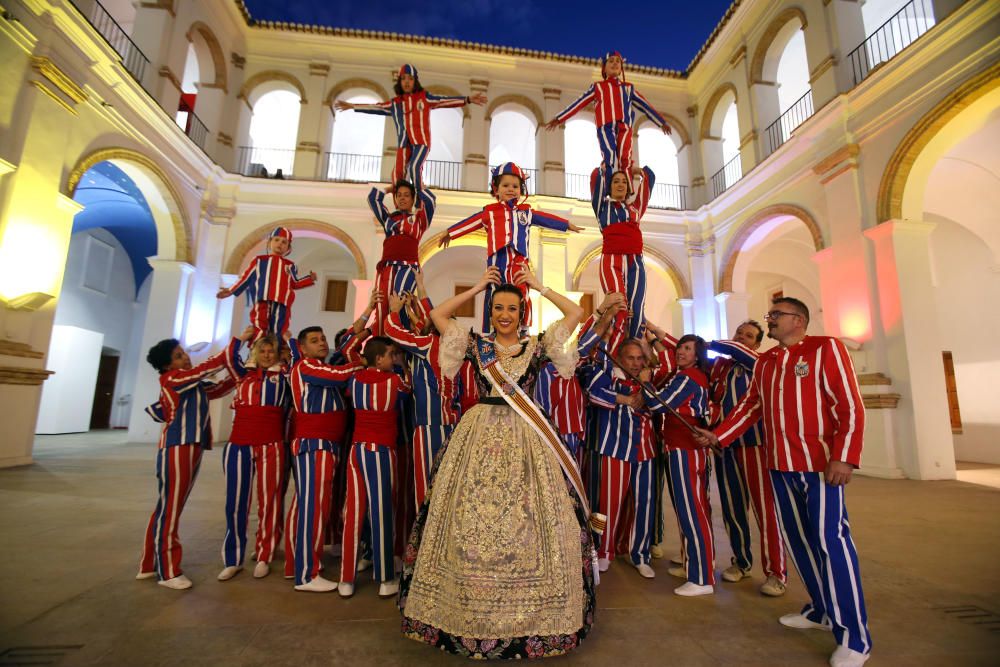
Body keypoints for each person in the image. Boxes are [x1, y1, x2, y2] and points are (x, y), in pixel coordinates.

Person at [399, 266, 600, 659]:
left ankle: (533, 619)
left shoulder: (539, 346)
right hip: (477, 437)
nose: (504, 314)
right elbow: (438, 316)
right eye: (497, 308)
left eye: (512, 308)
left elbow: (575, 314)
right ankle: (462, 612)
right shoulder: (475, 345)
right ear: (489, 312)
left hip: (529, 440)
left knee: (531, 522)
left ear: (522, 312)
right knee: (469, 520)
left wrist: (540, 286)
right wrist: (476, 287)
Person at [695, 297, 871, 667]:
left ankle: (855, 637)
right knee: (800, 544)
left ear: (799, 320)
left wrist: (844, 456)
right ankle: (822, 610)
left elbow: (850, 404)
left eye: (776, 316)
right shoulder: (768, 362)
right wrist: (719, 435)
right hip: (779, 466)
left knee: (830, 543)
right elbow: (752, 406)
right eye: (770, 316)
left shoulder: (826, 348)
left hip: (820, 466)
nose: (770, 321)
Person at [137, 338, 234, 590]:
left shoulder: (192, 385)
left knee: (169, 506)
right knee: (170, 507)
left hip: (192, 446)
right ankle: (167, 571)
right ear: (168, 365)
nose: (186, 358)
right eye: (179, 356)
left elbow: (221, 387)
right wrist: (237, 343)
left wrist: (244, 367)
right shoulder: (172, 380)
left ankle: (149, 564)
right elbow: (206, 369)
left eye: (183, 354)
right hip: (178, 447)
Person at [439, 162, 583, 331]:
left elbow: (546, 218)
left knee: (521, 292)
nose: (510, 189)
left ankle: (523, 329)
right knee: (493, 292)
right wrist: (450, 232)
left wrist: (566, 224)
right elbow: (471, 222)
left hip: (519, 262)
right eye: (505, 185)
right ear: (496, 189)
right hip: (497, 262)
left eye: (515, 186)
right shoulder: (490, 212)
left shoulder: (526, 212)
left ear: (521, 190)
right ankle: (489, 331)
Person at [706, 321, 787, 596]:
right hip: (724, 447)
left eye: (749, 336)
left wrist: (713, 344)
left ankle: (776, 573)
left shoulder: (760, 363)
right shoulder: (722, 367)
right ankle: (741, 562)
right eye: (739, 333)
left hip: (754, 445)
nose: (741, 338)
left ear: (757, 344)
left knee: (766, 511)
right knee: (732, 509)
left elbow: (733, 350)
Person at [285, 326, 364, 592]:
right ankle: (307, 574)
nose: (322, 343)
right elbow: (340, 373)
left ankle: (297, 564)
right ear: (302, 347)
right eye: (314, 340)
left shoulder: (316, 365)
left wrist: (363, 323)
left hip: (323, 444)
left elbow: (341, 353)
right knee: (313, 508)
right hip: (315, 443)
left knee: (309, 505)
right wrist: (361, 363)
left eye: (323, 339)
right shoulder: (306, 366)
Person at [339, 336, 411, 598]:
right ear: (379, 358)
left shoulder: (355, 380)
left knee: (355, 514)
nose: (393, 359)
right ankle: (385, 578)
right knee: (382, 513)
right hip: (381, 451)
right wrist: (403, 364)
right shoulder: (393, 381)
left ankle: (346, 578)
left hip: (356, 451)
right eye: (390, 355)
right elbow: (408, 391)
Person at [335, 64, 486, 189]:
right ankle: (400, 205)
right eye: (403, 79)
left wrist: (467, 99)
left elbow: (443, 101)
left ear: (415, 81)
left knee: (414, 167)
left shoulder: (424, 97)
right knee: (397, 174)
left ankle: (420, 194)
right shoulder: (396, 103)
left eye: (410, 79)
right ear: (399, 82)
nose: (407, 82)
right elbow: (378, 107)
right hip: (403, 144)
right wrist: (353, 106)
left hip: (421, 142)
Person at [216, 330, 291, 582]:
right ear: (254, 353)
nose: (267, 355)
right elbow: (227, 357)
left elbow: (300, 363)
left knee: (269, 501)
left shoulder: (284, 376)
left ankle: (264, 554)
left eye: (271, 350)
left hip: (271, 445)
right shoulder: (243, 375)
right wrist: (241, 336)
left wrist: (289, 343)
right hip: (238, 445)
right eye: (262, 350)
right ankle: (232, 558)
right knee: (235, 503)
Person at [645, 333, 713, 596]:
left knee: (693, 512)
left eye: (687, 348)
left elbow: (658, 403)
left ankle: (702, 577)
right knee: (690, 511)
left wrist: (646, 384)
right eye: (680, 347)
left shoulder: (689, 377)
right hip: (679, 447)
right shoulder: (687, 375)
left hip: (685, 449)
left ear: (697, 355)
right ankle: (693, 566)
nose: (681, 352)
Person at [586, 337, 659, 578]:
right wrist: (627, 396)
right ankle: (603, 551)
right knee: (606, 504)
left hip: (645, 450)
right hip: (614, 449)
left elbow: (655, 401)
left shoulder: (649, 381)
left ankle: (640, 554)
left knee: (644, 505)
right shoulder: (611, 379)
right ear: (620, 357)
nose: (636, 363)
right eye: (631, 357)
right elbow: (594, 393)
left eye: (640, 358)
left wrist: (645, 385)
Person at [544, 51, 671, 175]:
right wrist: (559, 118)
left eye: (618, 62)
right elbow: (578, 104)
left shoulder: (628, 88)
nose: (615, 63)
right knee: (609, 155)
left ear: (621, 69)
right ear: (604, 68)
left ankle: (627, 190)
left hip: (625, 127)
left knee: (625, 157)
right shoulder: (597, 87)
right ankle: (609, 188)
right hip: (605, 126)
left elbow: (645, 105)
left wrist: (661, 122)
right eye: (611, 61)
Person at [590, 164, 655, 354]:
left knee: (637, 307)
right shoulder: (602, 207)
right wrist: (605, 168)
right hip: (612, 261)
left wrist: (636, 171)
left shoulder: (635, 209)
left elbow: (649, 179)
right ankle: (616, 355)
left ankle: (633, 354)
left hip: (635, 262)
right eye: (616, 181)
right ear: (609, 186)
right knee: (619, 307)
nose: (620, 184)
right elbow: (595, 179)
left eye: (624, 181)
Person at [217, 227, 316, 343]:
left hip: (282, 303)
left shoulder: (290, 265)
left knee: (279, 330)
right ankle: (255, 353)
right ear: (269, 243)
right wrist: (231, 290)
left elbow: (295, 283)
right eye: (277, 240)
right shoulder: (259, 260)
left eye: (284, 242)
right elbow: (246, 278)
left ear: (288, 248)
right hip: (262, 299)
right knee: (259, 326)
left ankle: (276, 353)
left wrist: (309, 279)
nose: (280, 244)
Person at [367, 180, 436, 335]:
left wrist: (420, 188)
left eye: (406, 195)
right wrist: (389, 189)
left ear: (413, 199)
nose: (402, 198)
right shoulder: (388, 219)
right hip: (387, 267)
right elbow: (373, 199)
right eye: (399, 195)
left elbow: (431, 202)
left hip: (408, 267)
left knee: (400, 302)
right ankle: (380, 343)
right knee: (381, 304)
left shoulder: (419, 220)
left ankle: (400, 342)